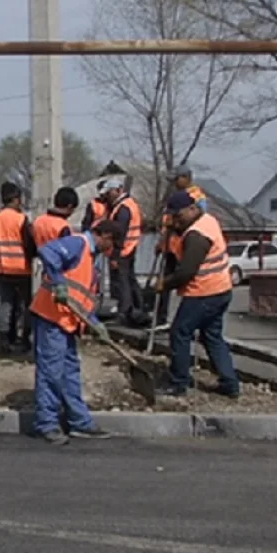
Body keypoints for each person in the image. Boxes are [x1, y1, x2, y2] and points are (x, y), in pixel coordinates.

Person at [29, 220, 125, 444]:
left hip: (67, 322)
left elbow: (81, 297)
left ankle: (79, 422)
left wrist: (94, 323)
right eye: (112, 243)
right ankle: (46, 424)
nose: (111, 250)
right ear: (105, 235)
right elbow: (47, 251)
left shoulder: (92, 261)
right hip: (51, 317)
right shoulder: (77, 243)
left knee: (70, 372)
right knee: (51, 373)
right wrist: (58, 282)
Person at [157, 190, 240, 398]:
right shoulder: (207, 220)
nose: (176, 221)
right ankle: (230, 383)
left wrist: (165, 284)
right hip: (221, 289)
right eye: (173, 217)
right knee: (212, 336)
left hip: (204, 292)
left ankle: (179, 383)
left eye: (178, 216)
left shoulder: (196, 236)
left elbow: (186, 271)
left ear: (192, 209)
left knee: (180, 332)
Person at [0, 181, 36, 354]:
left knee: (5, 304)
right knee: (28, 305)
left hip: (2, 268)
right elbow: (29, 244)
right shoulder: (21, 219)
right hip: (22, 268)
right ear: (15, 199)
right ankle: (25, 339)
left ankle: (3, 341)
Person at [153, 166, 210, 329]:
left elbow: (195, 223)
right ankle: (161, 317)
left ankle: (181, 319)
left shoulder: (196, 196)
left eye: (176, 179)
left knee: (181, 281)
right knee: (165, 281)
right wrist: (162, 242)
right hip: (170, 245)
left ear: (186, 177)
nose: (174, 183)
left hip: (183, 246)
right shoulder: (176, 196)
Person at [101, 177, 148, 327]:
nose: (107, 196)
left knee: (122, 283)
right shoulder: (128, 204)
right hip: (129, 248)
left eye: (109, 192)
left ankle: (125, 312)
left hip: (122, 251)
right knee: (130, 281)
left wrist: (115, 255)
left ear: (118, 190)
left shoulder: (123, 208)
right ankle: (137, 309)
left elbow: (119, 233)